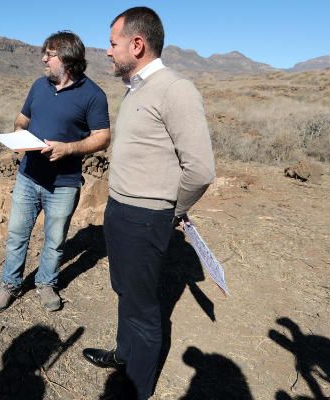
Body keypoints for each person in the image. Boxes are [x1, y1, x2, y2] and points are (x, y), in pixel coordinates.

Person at [81, 7, 216, 400]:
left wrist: (169, 211)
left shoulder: (176, 90)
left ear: (137, 44)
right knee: (125, 289)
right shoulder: (138, 88)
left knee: (142, 308)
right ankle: (124, 356)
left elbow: (201, 170)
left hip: (146, 217)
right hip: (121, 211)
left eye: (113, 43)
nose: (108, 52)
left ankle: (137, 388)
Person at [0, 31, 111, 313]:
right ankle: (10, 283)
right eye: (45, 52)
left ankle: (46, 283)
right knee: (18, 234)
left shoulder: (93, 95)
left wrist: (68, 149)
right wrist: (19, 134)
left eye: (50, 54)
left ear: (67, 58)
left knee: (55, 241)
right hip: (29, 176)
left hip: (64, 184)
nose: (44, 58)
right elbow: (22, 119)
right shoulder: (38, 86)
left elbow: (103, 137)